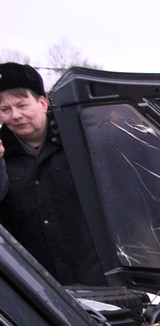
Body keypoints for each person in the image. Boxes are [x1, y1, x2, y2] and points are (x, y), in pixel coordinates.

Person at [0, 62, 104, 285]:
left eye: (22, 105)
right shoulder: (4, 160)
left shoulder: (81, 140)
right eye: (5, 110)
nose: (15, 116)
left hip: (102, 281)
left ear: (42, 102)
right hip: (44, 289)